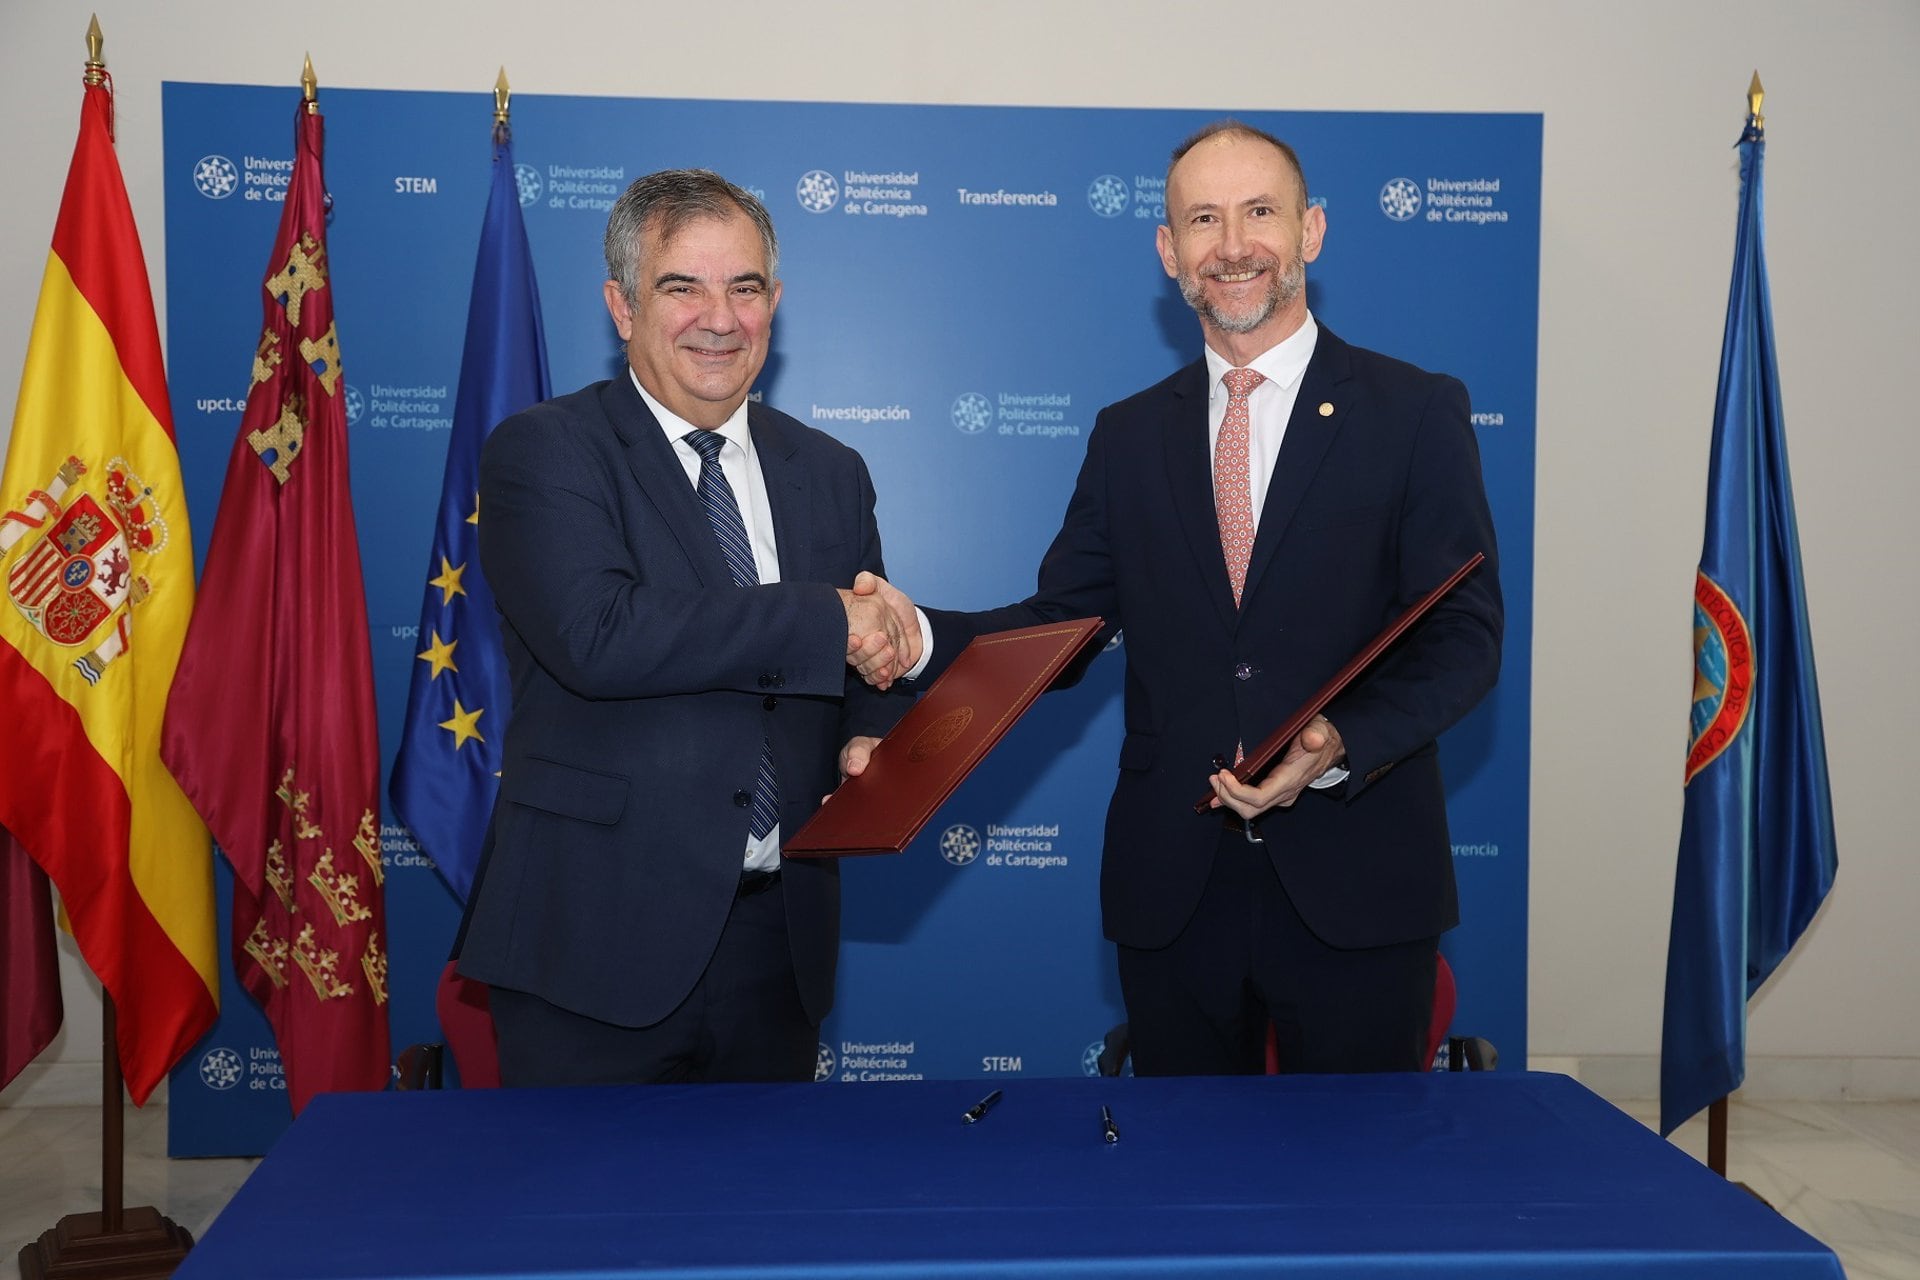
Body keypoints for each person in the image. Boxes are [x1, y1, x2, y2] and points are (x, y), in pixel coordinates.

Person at [868, 121, 1502, 1075]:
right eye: (1203, 219)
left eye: (1260, 213)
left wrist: (1341, 741)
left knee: (1360, 1194)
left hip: (1359, 876)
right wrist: (913, 636)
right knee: (1181, 1198)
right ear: (1169, 252)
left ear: (1312, 231)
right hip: (1176, 894)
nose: (1233, 244)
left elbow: (1463, 634)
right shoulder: (1129, 438)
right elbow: (1061, 629)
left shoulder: (1413, 412)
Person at [455, 169, 919, 1086]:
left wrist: (872, 741)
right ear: (622, 307)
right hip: (591, 942)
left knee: (759, 1222)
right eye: (683, 287)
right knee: (589, 1225)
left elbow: (868, 672)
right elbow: (601, 634)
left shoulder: (832, 471)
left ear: (774, 304)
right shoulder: (545, 449)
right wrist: (825, 615)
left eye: (744, 288)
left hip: (775, 943)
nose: (720, 317)